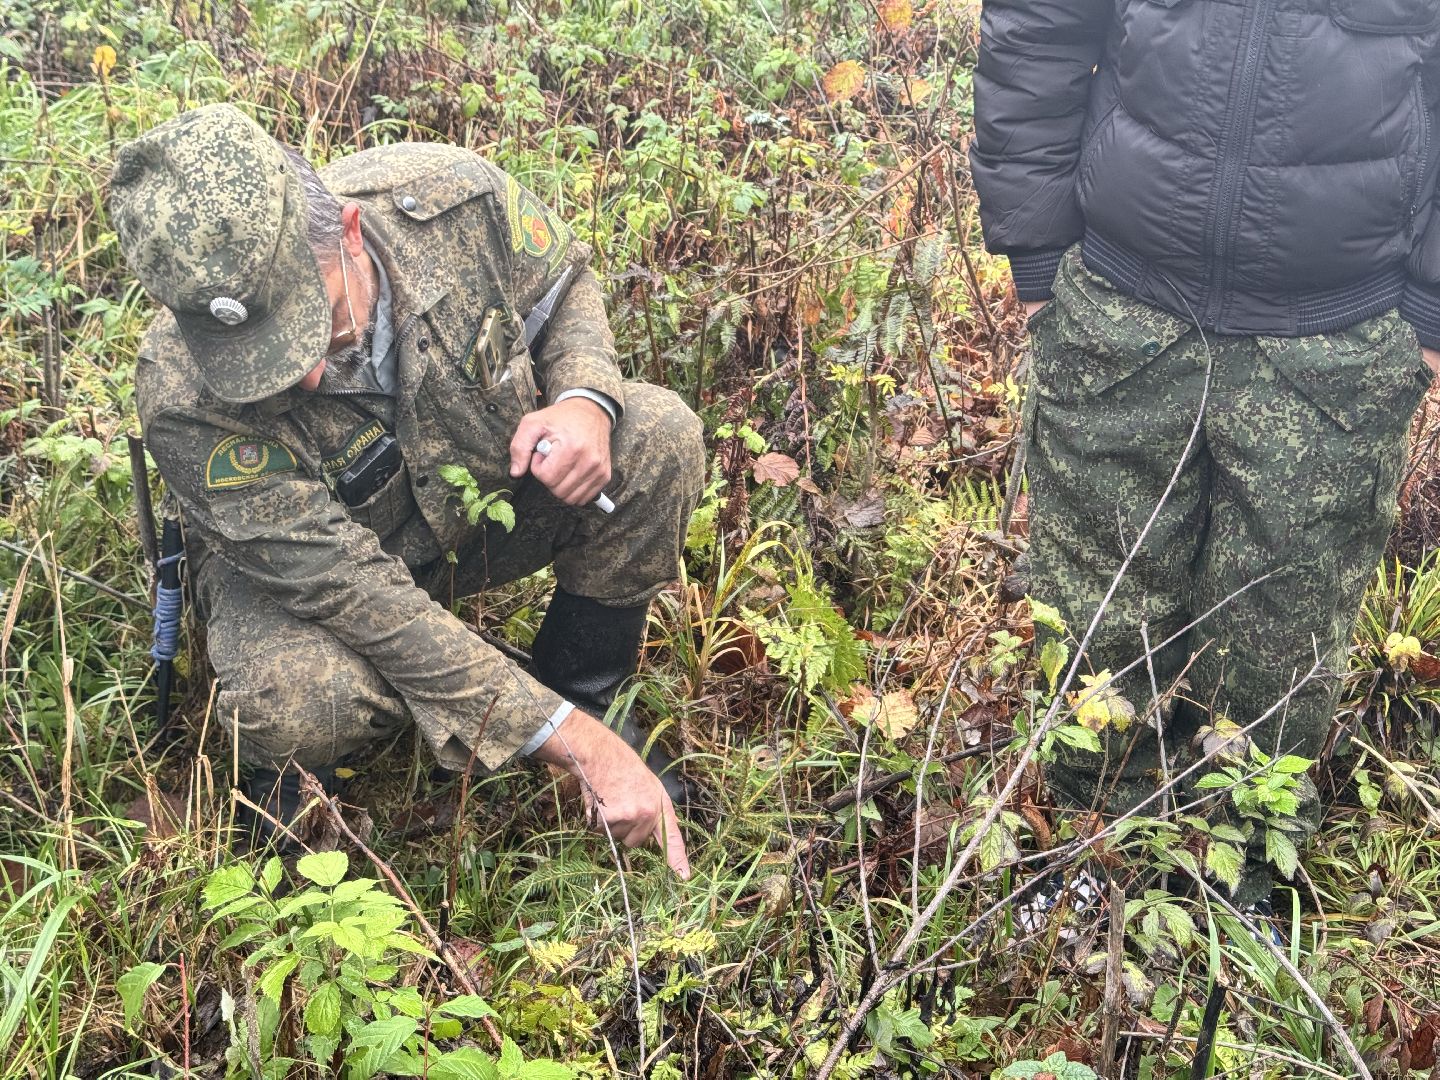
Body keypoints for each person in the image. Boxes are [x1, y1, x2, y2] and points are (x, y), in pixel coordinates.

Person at [109, 103, 704, 876]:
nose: (307, 376)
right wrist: (569, 742)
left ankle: (585, 695)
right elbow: (356, 596)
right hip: (323, 577)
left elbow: (564, 284)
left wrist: (585, 398)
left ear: (350, 234)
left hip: (476, 499)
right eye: (252, 358)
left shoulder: (454, 200)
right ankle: (297, 819)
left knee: (657, 435)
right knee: (295, 697)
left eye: (312, 325)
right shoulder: (182, 401)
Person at [971, 2, 1440, 907]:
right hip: (1121, 303)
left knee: (1283, 622)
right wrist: (1034, 253)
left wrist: (1427, 315)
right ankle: (1094, 858)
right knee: (1097, 604)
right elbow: (1039, 27)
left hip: (1338, 335)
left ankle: (1242, 878)